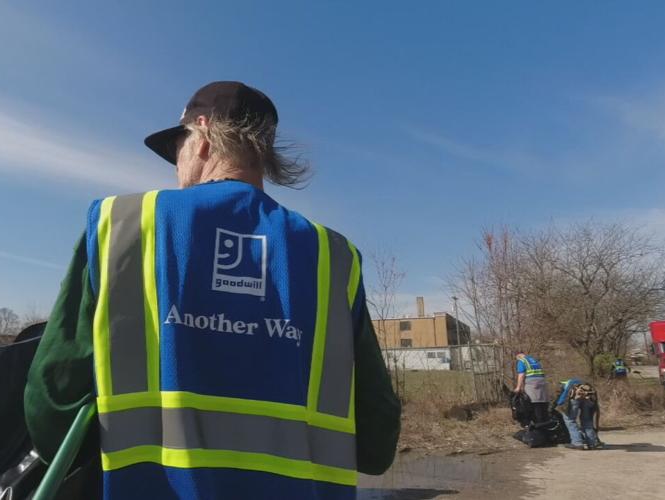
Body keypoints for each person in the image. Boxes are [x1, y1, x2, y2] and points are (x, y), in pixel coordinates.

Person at [25, 81, 401, 499]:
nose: (176, 165)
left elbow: (52, 404)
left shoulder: (122, 227)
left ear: (202, 135)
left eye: (178, 149)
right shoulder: (333, 257)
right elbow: (376, 442)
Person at [554, 378, 601, 450]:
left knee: (570, 420)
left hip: (575, 396)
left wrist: (556, 407)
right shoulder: (582, 383)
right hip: (588, 398)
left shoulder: (564, 385)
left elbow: (561, 398)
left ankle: (577, 443)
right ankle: (592, 443)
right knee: (587, 420)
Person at [514, 351, 549, 424]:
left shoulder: (522, 361)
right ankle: (545, 420)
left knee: (532, 402)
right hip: (542, 382)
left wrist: (518, 387)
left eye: (517, 358)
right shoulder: (534, 360)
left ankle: (537, 422)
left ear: (518, 356)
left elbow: (521, 375)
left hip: (532, 383)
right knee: (542, 402)